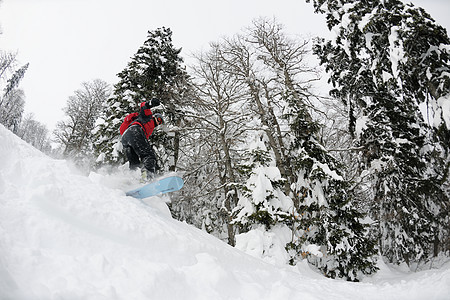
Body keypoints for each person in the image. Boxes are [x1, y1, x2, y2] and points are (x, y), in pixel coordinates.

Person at [119, 98, 164, 179]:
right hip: (134, 131)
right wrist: (151, 103)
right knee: (149, 156)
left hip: (126, 138)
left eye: (160, 122)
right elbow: (144, 107)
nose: (159, 122)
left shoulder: (148, 131)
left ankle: (134, 181)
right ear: (155, 117)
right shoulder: (148, 117)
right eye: (159, 119)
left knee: (134, 163)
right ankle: (147, 178)